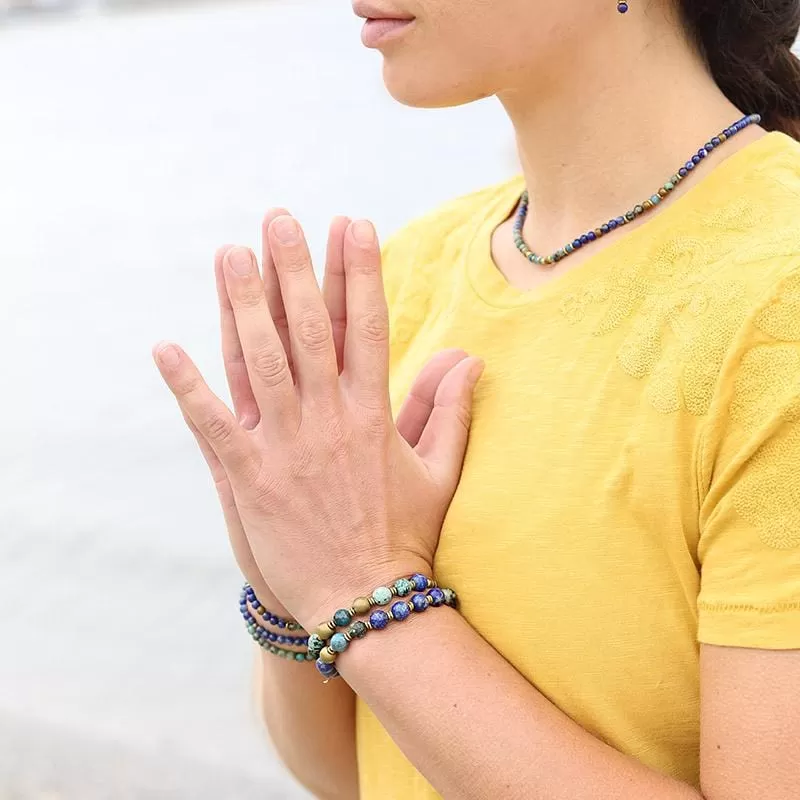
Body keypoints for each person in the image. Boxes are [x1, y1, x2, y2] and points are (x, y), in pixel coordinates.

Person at [153, 0, 800, 797]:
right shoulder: (405, 276)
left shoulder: (778, 299)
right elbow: (348, 774)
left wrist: (362, 592)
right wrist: (290, 585)